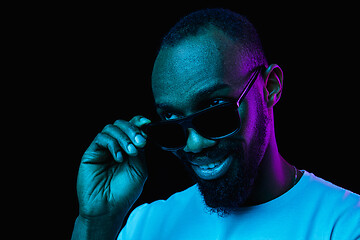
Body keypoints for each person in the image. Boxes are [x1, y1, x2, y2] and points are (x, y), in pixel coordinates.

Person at [71, 9, 360, 240]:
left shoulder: (344, 223)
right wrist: (96, 221)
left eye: (215, 111)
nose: (195, 144)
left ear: (270, 88)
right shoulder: (146, 225)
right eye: (172, 124)